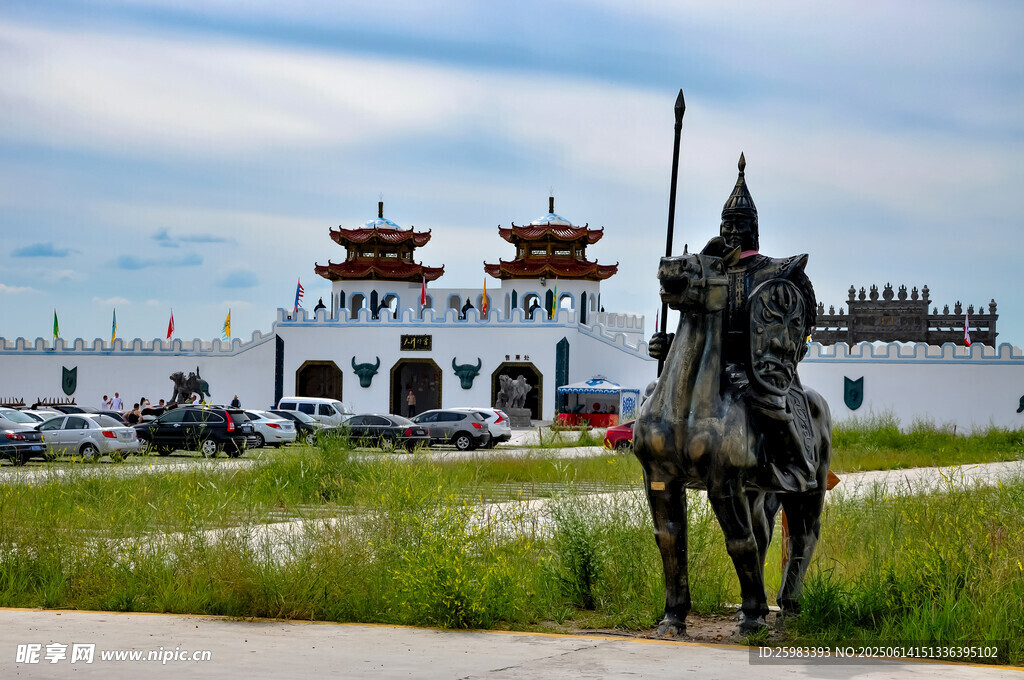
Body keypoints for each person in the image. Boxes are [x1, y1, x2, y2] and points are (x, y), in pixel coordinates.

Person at [648, 153, 818, 491]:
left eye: (739, 225)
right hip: (710, 365)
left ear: (753, 229)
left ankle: (797, 465)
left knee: (766, 403)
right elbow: (694, 323)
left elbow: (799, 322)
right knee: (656, 397)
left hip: (756, 369)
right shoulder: (710, 272)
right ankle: (663, 464)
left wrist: (774, 359)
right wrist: (668, 345)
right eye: (727, 225)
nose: (731, 231)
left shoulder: (775, 272)